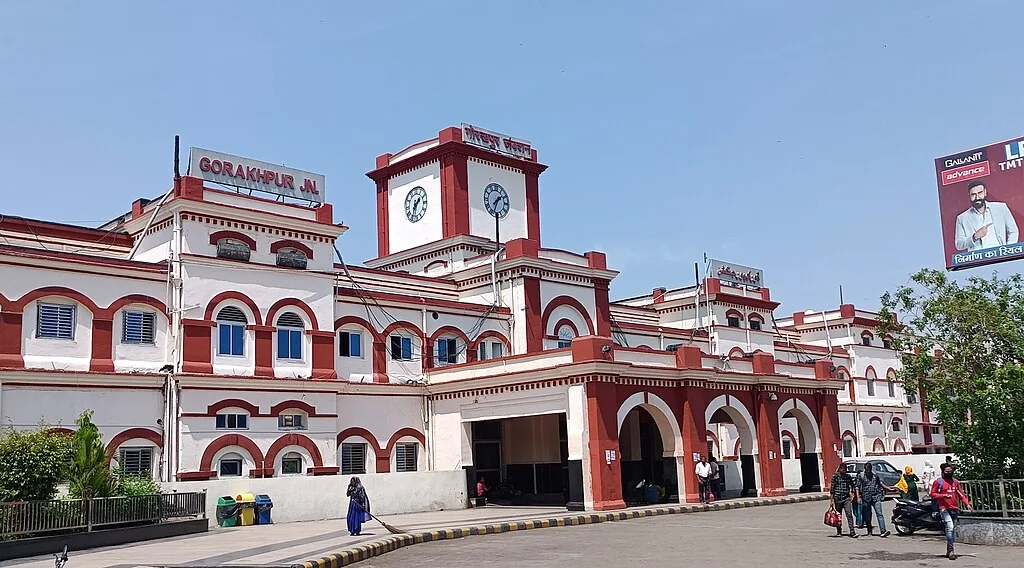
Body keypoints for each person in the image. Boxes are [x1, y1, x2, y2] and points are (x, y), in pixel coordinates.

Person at [954, 180, 1019, 252]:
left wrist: (1008, 250)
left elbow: (1013, 231)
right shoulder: (962, 218)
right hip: (978, 260)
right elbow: (959, 244)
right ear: (969, 195)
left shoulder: (1001, 208)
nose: (977, 197)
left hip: (1000, 256)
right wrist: (974, 237)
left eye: (980, 193)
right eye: (973, 194)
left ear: (985, 192)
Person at [930, 462, 972, 560]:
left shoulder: (955, 482)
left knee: (952, 531)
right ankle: (951, 550)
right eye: (946, 471)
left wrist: (967, 504)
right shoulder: (938, 482)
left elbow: (961, 495)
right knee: (950, 528)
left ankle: (949, 549)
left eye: (950, 471)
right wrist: (943, 496)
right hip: (943, 508)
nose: (949, 473)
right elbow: (932, 494)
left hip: (954, 509)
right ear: (943, 472)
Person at [856, 462, 895, 537]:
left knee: (879, 514)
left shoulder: (875, 475)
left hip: (876, 497)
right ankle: (869, 530)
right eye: (867, 469)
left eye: (869, 469)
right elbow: (857, 487)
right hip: (866, 498)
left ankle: (883, 531)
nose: (868, 471)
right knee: (868, 515)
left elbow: (880, 483)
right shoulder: (861, 476)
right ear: (865, 469)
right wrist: (858, 497)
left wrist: (888, 489)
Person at [829, 464, 858, 538]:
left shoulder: (848, 477)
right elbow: (832, 489)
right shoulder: (835, 476)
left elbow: (852, 485)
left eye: (845, 470)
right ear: (840, 469)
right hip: (837, 498)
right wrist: (831, 501)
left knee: (849, 514)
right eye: (843, 470)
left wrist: (852, 494)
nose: (844, 471)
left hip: (846, 498)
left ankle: (852, 531)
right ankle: (839, 530)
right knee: (838, 516)